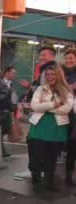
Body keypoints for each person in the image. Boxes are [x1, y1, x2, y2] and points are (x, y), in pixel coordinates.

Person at [28, 64, 75, 192]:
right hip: (39, 126)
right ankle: (36, 182)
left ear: (59, 75)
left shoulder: (67, 91)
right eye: (48, 74)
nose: (50, 77)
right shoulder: (40, 89)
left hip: (57, 128)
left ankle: (49, 183)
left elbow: (67, 108)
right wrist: (54, 104)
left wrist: (46, 107)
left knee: (52, 158)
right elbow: (34, 106)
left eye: (53, 74)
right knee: (36, 158)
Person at [15, 46, 58, 181]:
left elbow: (45, 91)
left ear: (52, 56)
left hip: (44, 113)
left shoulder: (50, 71)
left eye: (44, 55)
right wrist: (29, 87)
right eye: (40, 55)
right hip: (42, 111)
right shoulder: (44, 70)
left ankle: (36, 170)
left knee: (36, 142)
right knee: (39, 142)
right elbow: (40, 90)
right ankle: (38, 170)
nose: (41, 57)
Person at [62, 48, 76, 185]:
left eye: (71, 58)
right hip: (65, 113)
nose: (69, 60)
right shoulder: (61, 73)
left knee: (73, 143)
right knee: (69, 146)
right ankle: (68, 175)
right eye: (67, 58)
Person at [0, 66, 18, 157]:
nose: (14, 75)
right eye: (13, 73)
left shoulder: (11, 84)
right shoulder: (0, 83)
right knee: (1, 131)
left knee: (3, 131)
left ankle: (1, 150)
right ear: (7, 73)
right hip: (2, 111)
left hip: (9, 110)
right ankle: (1, 151)